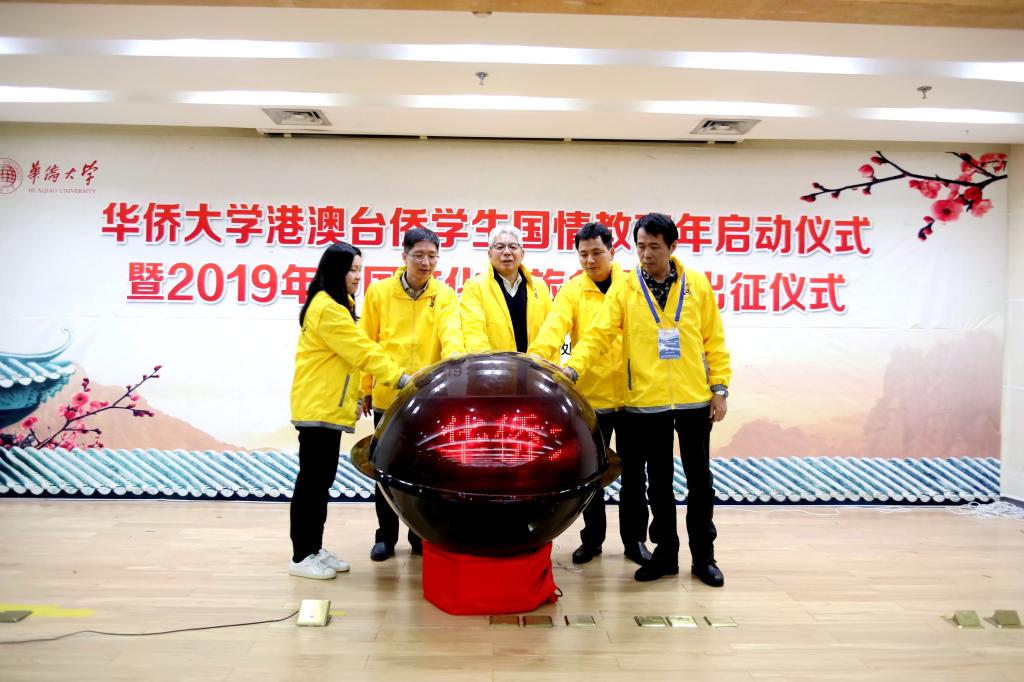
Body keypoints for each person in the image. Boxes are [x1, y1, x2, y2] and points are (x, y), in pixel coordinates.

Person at [564, 213, 731, 586]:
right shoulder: (626, 288)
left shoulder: (697, 285)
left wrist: (719, 389)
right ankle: (665, 556)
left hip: (694, 401)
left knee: (700, 483)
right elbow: (598, 334)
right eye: (640, 246)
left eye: (655, 247)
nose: (646, 254)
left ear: (672, 247)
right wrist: (573, 368)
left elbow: (714, 340)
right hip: (646, 403)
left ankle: (704, 558)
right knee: (658, 485)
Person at [528, 222, 652, 567]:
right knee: (592, 474)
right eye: (583, 254)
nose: (590, 260)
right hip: (592, 398)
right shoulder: (572, 290)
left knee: (635, 476)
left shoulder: (633, 285)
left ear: (612, 251)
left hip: (633, 397)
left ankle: (635, 541)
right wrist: (535, 360)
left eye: (597, 252)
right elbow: (553, 329)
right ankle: (592, 540)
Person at [289, 241, 408, 580]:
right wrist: (400, 377)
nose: (357, 276)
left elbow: (347, 360)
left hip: (327, 407)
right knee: (312, 484)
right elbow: (361, 351)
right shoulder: (327, 309)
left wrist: (355, 397)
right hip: (318, 408)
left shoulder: (338, 304)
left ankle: (314, 548)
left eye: (359, 269)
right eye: (352, 270)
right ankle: (301, 555)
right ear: (335, 271)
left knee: (320, 482)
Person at [360, 228, 465, 561]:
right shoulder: (379, 292)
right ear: (404, 255)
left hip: (428, 400)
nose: (426, 262)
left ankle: (420, 535)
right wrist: (365, 388)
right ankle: (385, 537)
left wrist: (453, 367)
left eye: (432, 256)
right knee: (385, 469)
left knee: (425, 472)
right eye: (419, 255)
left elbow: (452, 335)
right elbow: (366, 342)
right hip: (388, 396)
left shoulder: (444, 295)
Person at [460, 226, 553, 355]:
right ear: (489, 253)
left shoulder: (540, 287)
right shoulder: (475, 287)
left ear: (522, 253)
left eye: (513, 246)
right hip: (494, 366)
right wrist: (486, 364)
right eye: (500, 247)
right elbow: (473, 332)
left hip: (534, 366)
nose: (507, 252)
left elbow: (550, 332)